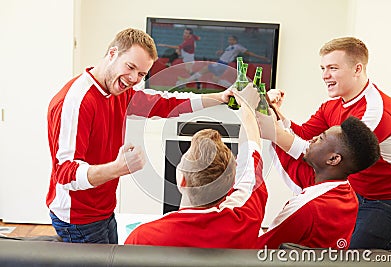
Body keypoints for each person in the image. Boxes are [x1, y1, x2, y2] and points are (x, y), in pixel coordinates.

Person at [46, 28, 233, 244]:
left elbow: (166, 103)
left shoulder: (119, 91)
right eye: (130, 67)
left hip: (103, 212)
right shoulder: (76, 103)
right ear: (113, 53)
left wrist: (219, 97)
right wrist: (118, 167)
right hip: (78, 220)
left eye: (142, 74)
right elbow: (65, 173)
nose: (134, 78)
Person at [267, 37, 391, 249]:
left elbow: (330, 156)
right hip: (354, 193)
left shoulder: (376, 112)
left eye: (333, 68)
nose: (324, 75)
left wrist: (274, 133)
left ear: (357, 69)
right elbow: (304, 135)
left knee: (350, 258)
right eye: (323, 68)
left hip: (387, 201)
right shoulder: (332, 105)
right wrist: (274, 111)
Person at [124, 84, 268, 248]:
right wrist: (248, 108)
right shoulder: (247, 218)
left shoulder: (142, 238)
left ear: (182, 181)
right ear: (230, 185)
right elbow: (251, 150)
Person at [255, 114, 380, 249]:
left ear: (333, 159)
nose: (312, 139)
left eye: (321, 138)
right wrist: (274, 117)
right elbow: (292, 162)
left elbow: (259, 250)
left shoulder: (308, 207)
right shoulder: (347, 195)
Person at [177, 35, 268, 88]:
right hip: (221, 63)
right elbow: (228, 53)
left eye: (231, 39)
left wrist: (261, 57)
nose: (229, 41)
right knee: (215, 79)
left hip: (223, 64)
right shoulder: (230, 46)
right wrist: (221, 52)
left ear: (235, 40)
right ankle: (233, 88)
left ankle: (186, 81)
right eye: (229, 39)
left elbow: (249, 52)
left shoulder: (238, 46)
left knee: (206, 68)